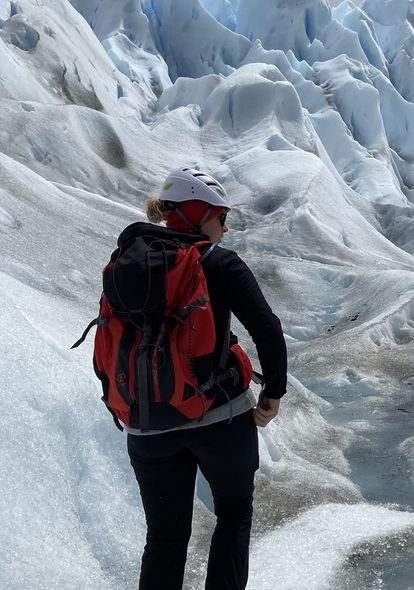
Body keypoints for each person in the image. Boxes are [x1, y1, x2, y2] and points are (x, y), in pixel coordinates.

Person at [127, 168, 288, 590]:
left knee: (164, 536)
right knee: (233, 516)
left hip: (147, 424)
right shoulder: (221, 263)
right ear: (199, 212)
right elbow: (267, 328)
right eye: (221, 214)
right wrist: (272, 393)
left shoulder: (131, 261)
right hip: (220, 418)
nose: (225, 224)